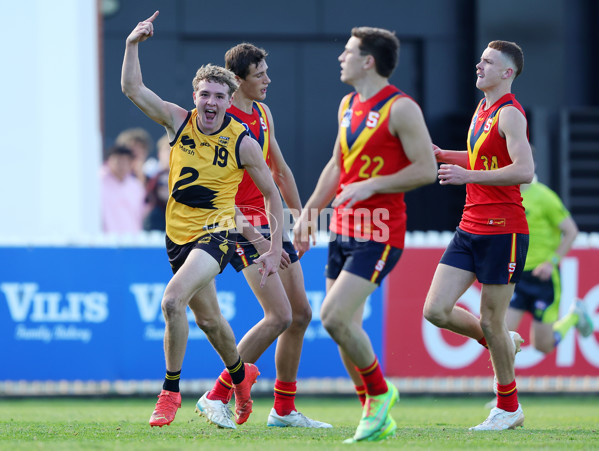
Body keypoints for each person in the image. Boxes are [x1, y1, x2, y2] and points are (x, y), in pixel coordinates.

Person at [121, 11, 284, 428]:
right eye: (204, 94)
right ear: (195, 96)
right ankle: (240, 374)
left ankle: (170, 392)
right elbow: (132, 87)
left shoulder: (242, 143)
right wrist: (132, 44)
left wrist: (273, 246)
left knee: (172, 300)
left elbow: (272, 193)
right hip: (176, 236)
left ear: (230, 102)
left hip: (216, 235)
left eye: (219, 96)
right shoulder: (178, 121)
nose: (210, 103)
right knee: (210, 321)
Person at [293, 27, 437, 443]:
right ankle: (373, 415)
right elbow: (337, 167)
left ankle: (380, 393)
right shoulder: (347, 104)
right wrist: (307, 216)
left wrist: (374, 184)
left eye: (349, 51)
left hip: (380, 232)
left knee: (333, 317)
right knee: (344, 329)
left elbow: (426, 169)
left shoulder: (401, 108)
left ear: (368, 60)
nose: (342, 57)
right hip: (342, 229)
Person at [195, 42, 331, 430]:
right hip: (240, 227)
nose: (268, 80)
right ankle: (216, 394)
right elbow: (218, 196)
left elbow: (281, 171)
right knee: (279, 316)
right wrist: (257, 237)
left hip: (271, 223)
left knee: (301, 315)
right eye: (260, 75)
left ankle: (284, 411)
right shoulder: (220, 124)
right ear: (237, 82)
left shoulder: (262, 112)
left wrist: (303, 220)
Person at [422, 40, 535, 431]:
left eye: (488, 62)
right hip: (470, 227)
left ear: (508, 73)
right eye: (480, 59)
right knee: (435, 310)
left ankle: (508, 408)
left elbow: (524, 171)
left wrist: (467, 175)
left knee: (491, 319)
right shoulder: (482, 109)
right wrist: (445, 154)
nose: (478, 65)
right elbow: (486, 159)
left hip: (504, 230)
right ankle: (504, 340)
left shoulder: (510, 115)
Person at [507, 174, 593, 352]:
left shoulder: (545, 197)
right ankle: (503, 380)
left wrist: (550, 262)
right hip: (516, 277)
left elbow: (571, 231)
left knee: (543, 346)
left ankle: (574, 317)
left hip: (542, 279)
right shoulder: (505, 196)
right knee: (501, 337)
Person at [100, 144, 146, 234]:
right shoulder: (100, 183)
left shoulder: (136, 186)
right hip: (106, 239)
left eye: (125, 162)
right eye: (118, 161)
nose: (121, 166)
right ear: (109, 161)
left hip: (132, 239)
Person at [143, 134, 170, 231]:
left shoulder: (189, 178)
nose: (171, 153)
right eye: (167, 149)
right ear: (159, 153)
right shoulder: (147, 174)